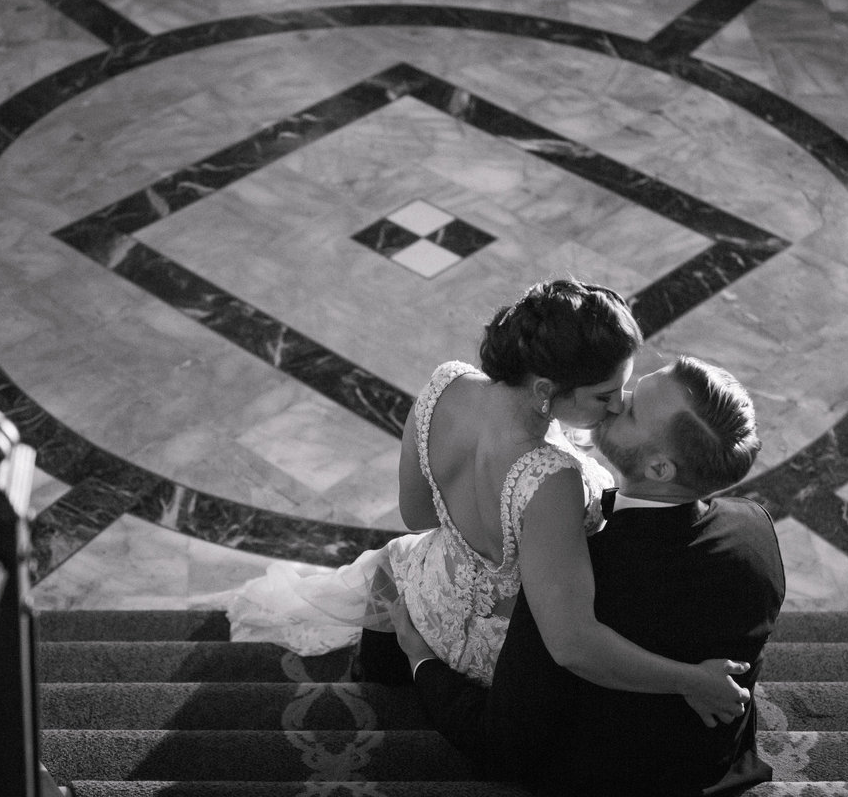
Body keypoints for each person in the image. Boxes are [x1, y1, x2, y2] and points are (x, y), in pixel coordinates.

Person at [394, 356, 786, 796]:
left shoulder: (573, 567)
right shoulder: (754, 528)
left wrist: (419, 659)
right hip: (714, 764)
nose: (618, 401)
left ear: (660, 468)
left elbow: (503, 744)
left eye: (634, 409)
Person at [219, 279, 637, 686]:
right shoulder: (552, 478)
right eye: (604, 395)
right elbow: (571, 644)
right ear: (545, 388)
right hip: (497, 658)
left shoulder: (445, 387)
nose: (620, 404)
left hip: (424, 605)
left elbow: (416, 515)